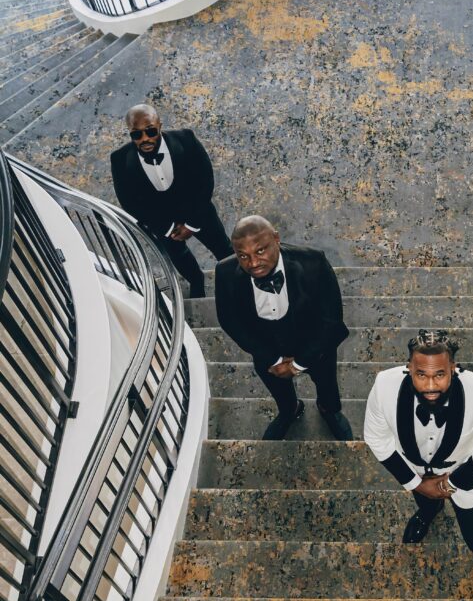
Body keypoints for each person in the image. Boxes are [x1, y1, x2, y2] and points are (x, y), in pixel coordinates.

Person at [364, 329, 473, 600]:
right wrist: (417, 484)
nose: (430, 386)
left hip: (465, 473)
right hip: (414, 469)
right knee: (425, 502)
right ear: (408, 369)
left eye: (439, 375)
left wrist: (450, 483)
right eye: (422, 375)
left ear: (453, 369)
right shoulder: (383, 386)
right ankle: (427, 513)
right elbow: (376, 438)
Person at [215, 215, 353, 440]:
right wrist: (272, 359)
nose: (253, 263)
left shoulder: (313, 262)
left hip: (315, 345)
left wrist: (298, 364)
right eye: (243, 256)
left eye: (260, 251)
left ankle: (329, 410)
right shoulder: (225, 272)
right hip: (266, 350)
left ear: (276, 239)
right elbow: (230, 321)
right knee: (277, 389)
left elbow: (331, 319)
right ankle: (290, 410)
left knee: (327, 383)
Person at [110, 104, 231, 297]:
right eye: (136, 134)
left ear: (159, 126)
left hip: (198, 211)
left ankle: (237, 284)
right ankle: (196, 281)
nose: (145, 139)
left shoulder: (186, 140)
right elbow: (130, 202)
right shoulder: (119, 159)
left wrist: (192, 223)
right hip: (162, 221)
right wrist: (166, 228)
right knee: (179, 258)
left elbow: (205, 181)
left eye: (150, 131)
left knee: (225, 251)